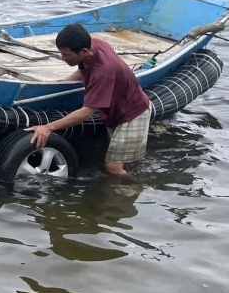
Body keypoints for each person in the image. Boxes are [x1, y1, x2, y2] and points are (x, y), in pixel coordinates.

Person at [26, 23, 152, 178]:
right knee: (123, 161)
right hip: (117, 108)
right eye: (61, 53)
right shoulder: (93, 44)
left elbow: (87, 112)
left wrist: (48, 127)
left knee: (113, 168)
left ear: (84, 51)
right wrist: (61, 84)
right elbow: (83, 70)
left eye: (67, 55)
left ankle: (140, 187)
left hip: (132, 114)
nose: (63, 58)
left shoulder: (103, 72)